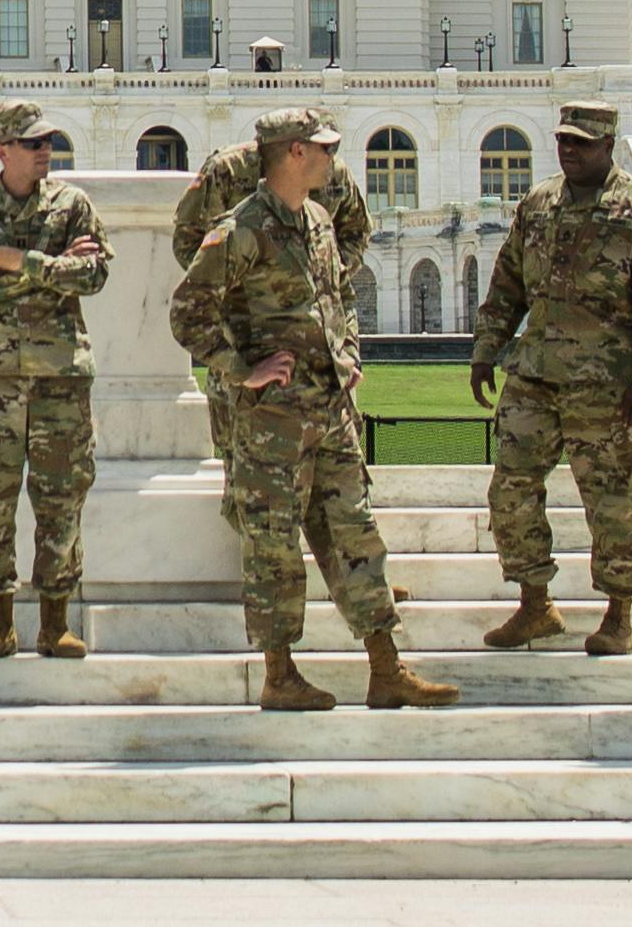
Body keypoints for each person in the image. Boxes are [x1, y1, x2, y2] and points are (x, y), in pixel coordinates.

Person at [170, 110, 458, 713]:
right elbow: (189, 309)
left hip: (329, 408)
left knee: (357, 531)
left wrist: (347, 355)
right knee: (273, 546)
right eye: (324, 148)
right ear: (294, 152)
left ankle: (386, 667)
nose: (334, 157)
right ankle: (280, 673)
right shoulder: (241, 229)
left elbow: (338, 298)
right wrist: (239, 369)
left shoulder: (321, 221)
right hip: (271, 420)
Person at [470, 98, 632, 655]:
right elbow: (508, 283)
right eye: (563, 140)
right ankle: (535, 605)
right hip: (536, 374)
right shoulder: (538, 204)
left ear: (608, 146)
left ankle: (618, 615)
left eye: (580, 143)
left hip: (608, 383)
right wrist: (485, 350)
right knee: (510, 491)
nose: (568, 151)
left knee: (613, 501)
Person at [0, 100, 109, 660]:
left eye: (47, 142)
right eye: (33, 143)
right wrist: (56, 267)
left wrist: (23, 263)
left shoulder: (73, 205)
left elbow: (95, 274)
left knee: (62, 497)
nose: (46, 151)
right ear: (2, 149)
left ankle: (55, 621)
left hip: (61, 377)